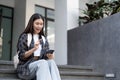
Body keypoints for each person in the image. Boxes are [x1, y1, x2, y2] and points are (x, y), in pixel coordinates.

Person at [16, 13, 61, 80]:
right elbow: (21, 56)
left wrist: (49, 56)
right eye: (37, 23)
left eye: (41, 24)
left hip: (41, 68)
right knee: (42, 63)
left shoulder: (43, 38)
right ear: (32, 24)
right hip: (26, 68)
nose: (39, 26)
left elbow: (45, 57)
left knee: (51, 62)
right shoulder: (25, 36)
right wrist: (34, 49)